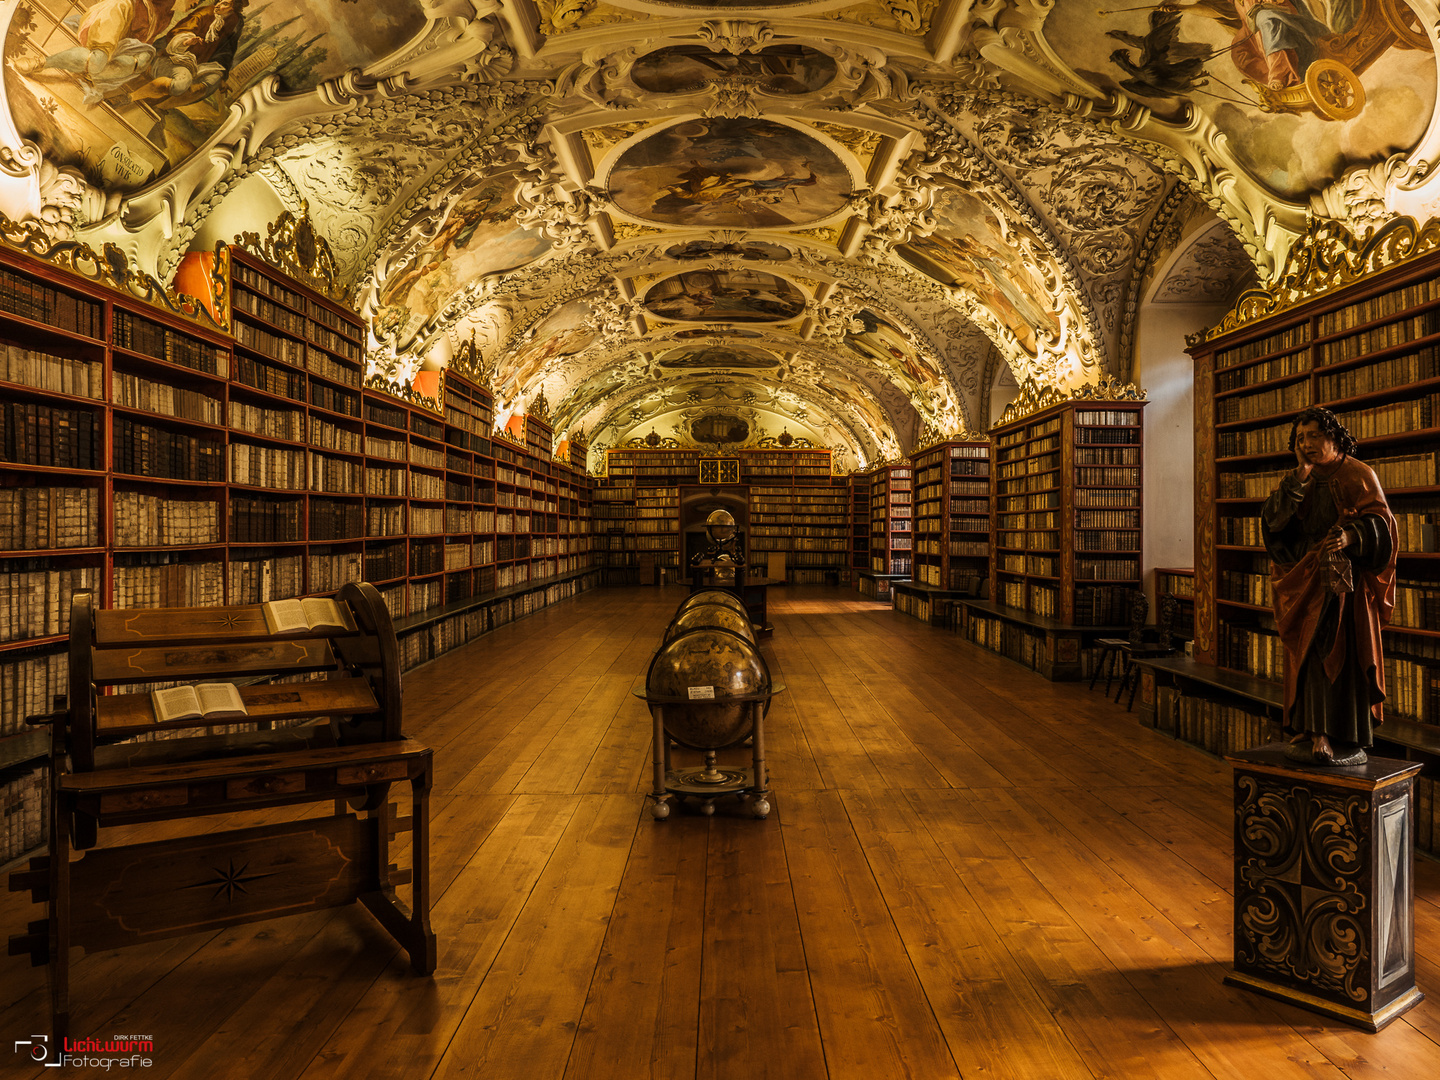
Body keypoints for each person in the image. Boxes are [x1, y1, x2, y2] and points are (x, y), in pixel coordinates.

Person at [1261, 407, 1396, 765]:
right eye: (1300, 439)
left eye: (1314, 436)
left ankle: (1338, 734)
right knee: (1306, 657)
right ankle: (1310, 728)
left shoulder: (1358, 474)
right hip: (1307, 582)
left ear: (1334, 437)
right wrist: (1299, 477)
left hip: (1344, 587)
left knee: (1335, 654)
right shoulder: (1298, 479)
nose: (1306, 444)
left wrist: (1353, 535)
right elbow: (1274, 524)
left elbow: (1384, 528)